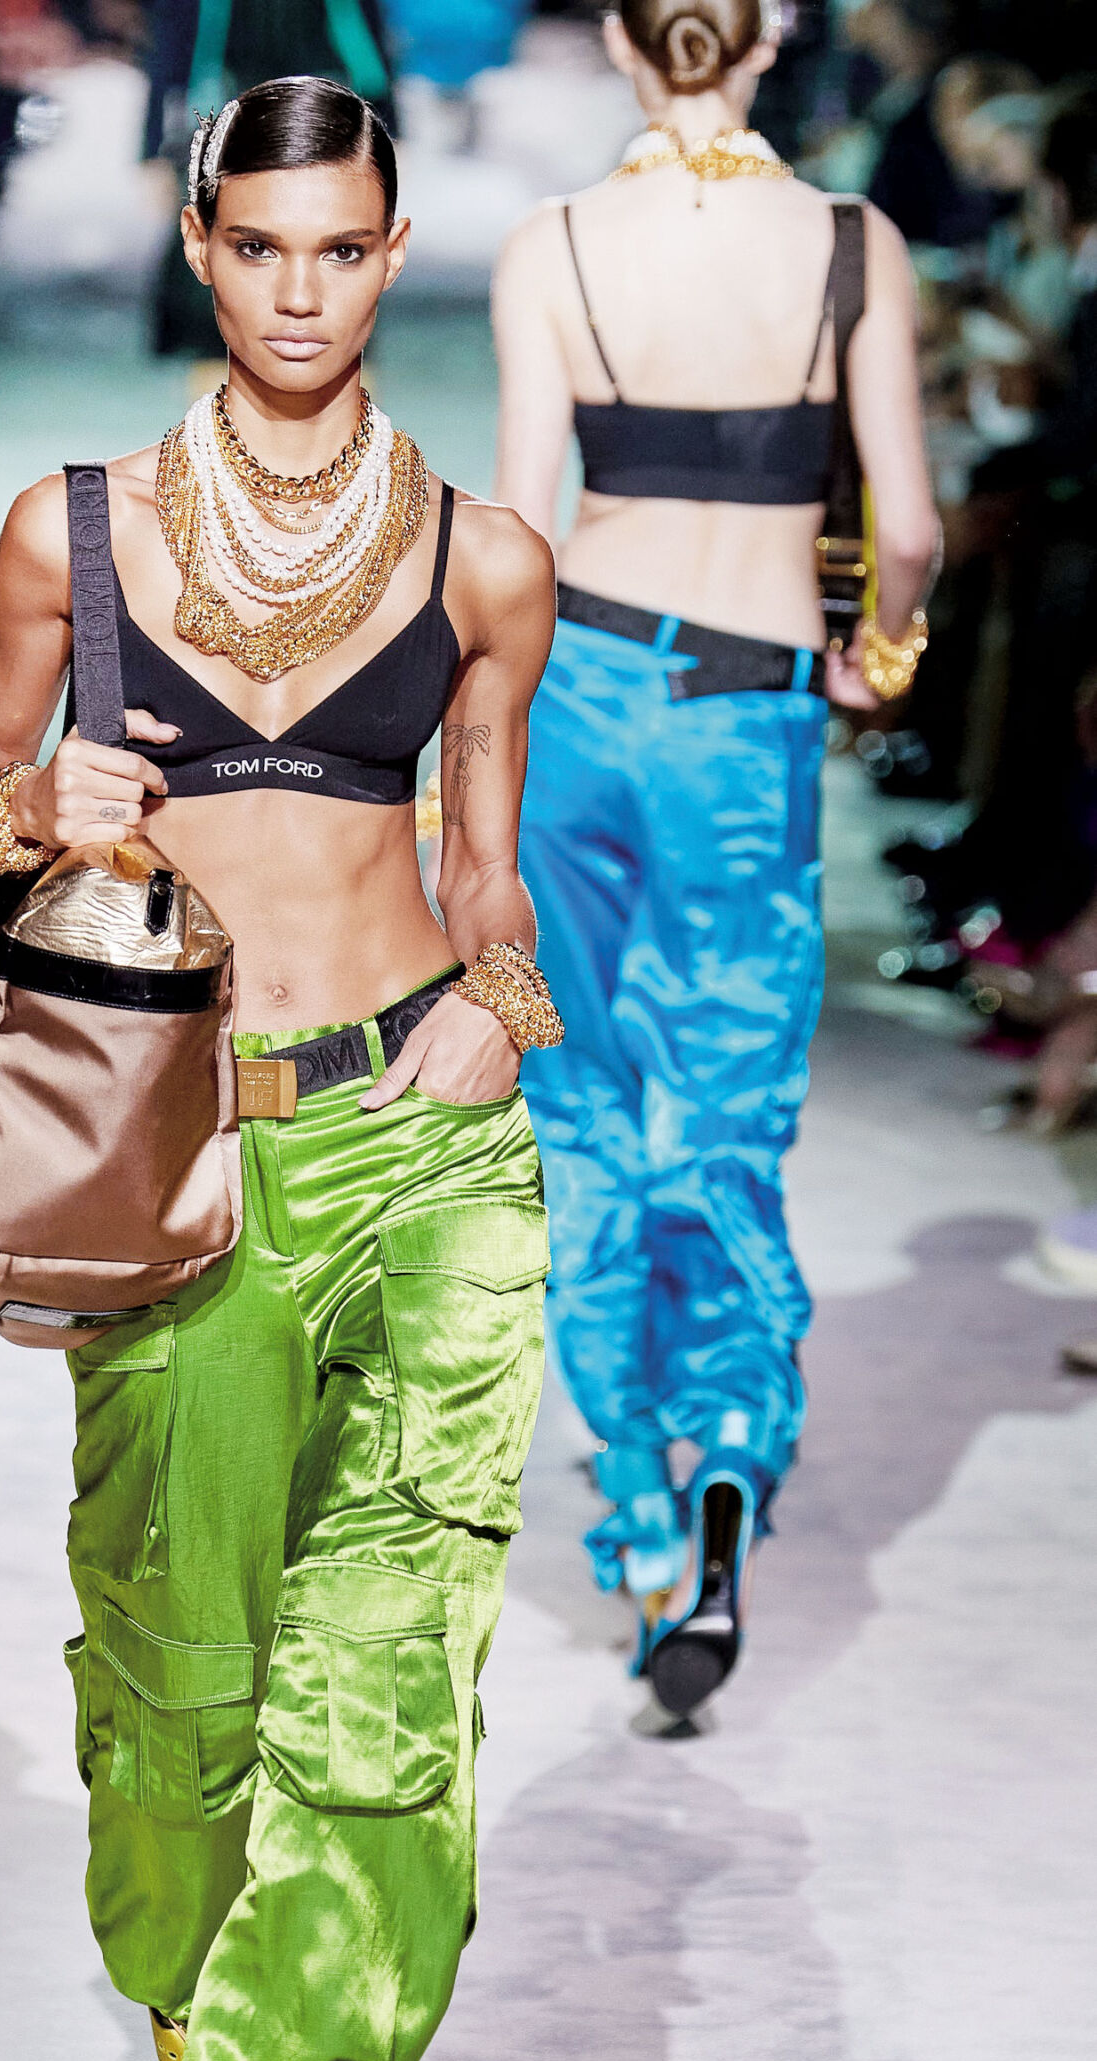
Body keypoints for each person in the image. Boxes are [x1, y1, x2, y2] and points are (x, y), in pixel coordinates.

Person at [0, 75, 555, 2061]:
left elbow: (484, 863)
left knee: (385, 1703)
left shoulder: (485, 562)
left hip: (421, 1152)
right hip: (177, 1167)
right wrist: (35, 807)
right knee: (179, 1716)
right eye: (260, 245)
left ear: (392, 252)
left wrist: (498, 1002)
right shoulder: (70, 531)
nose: (301, 291)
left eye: (344, 247)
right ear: (200, 246)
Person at [492, 0, 940, 1722]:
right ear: (776, 35)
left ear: (622, 35)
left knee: (580, 1105)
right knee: (726, 1104)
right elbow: (908, 530)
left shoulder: (553, 245)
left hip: (581, 694)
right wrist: (875, 656)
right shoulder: (851, 244)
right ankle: (733, 1451)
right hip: (747, 713)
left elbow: (517, 533)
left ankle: (639, 1499)